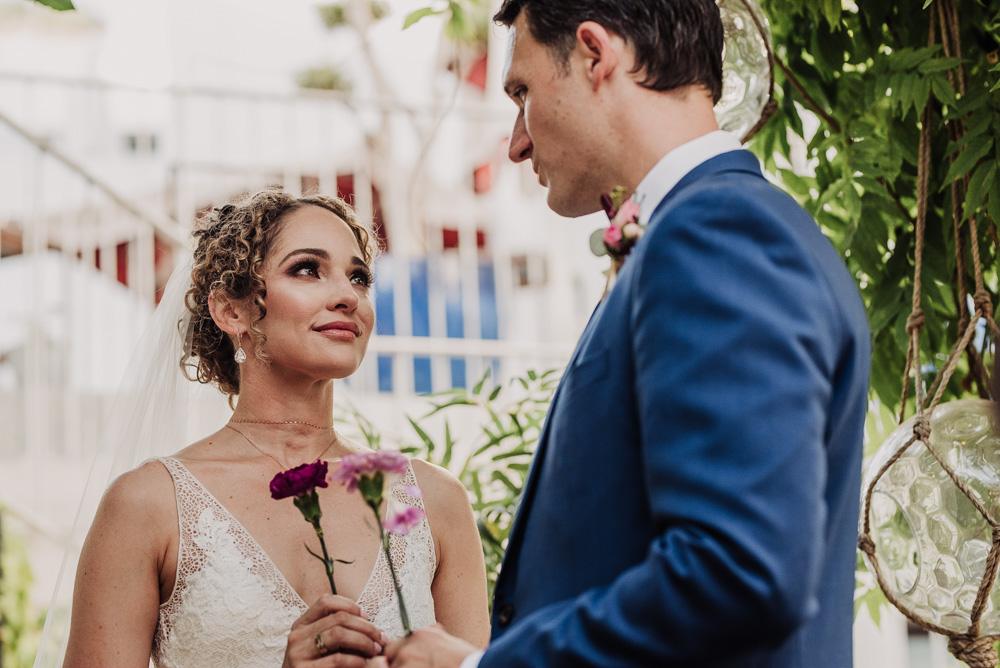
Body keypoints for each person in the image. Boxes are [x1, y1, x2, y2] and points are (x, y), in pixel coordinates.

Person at [385, 1, 871, 666]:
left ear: (595, 54)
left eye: (522, 92)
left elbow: (739, 570)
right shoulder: (720, 227)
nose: (516, 141)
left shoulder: (716, 233)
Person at [59, 190, 490, 668]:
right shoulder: (147, 505)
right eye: (308, 268)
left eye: (359, 277)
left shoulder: (434, 501)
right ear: (231, 311)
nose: (348, 296)